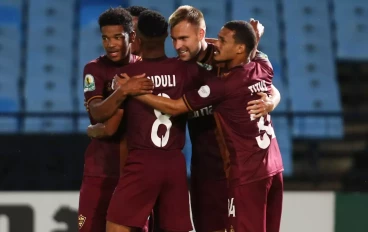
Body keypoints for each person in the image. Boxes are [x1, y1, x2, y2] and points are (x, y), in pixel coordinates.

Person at [135, 20, 284, 232]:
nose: (217, 44)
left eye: (222, 40)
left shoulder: (223, 85)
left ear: (240, 48)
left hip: (246, 173)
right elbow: (255, 59)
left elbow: (177, 107)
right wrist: (252, 39)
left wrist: (136, 92)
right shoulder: (263, 66)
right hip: (273, 167)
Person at [105, 10, 216, 232]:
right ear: (167, 36)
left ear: (136, 36)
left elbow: (108, 124)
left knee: (117, 226)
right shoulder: (187, 70)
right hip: (175, 162)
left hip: (142, 160)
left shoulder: (127, 76)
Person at [78, 7, 153, 232]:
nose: (110, 44)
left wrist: (98, 127)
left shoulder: (146, 68)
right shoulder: (93, 68)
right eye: (105, 38)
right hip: (99, 170)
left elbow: (107, 124)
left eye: (118, 38)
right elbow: (97, 112)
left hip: (135, 171)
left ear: (132, 36)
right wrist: (123, 92)